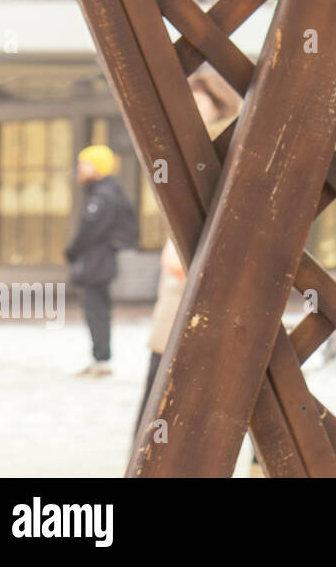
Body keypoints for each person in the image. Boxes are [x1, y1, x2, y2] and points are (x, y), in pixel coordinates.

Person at [134, 69, 240, 437]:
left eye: (200, 104)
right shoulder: (185, 146)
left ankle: (150, 446)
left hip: (210, 269)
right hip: (184, 267)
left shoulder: (222, 147)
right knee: (167, 368)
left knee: (219, 373)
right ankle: (148, 447)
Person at [65, 144, 139, 378]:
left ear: (98, 167)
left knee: (96, 310)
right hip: (100, 261)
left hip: (95, 263)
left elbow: (89, 231)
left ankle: (101, 361)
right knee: (97, 310)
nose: (79, 169)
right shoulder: (108, 193)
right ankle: (100, 358)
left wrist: (71, 251)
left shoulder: (102, 196)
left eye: (84, 164)